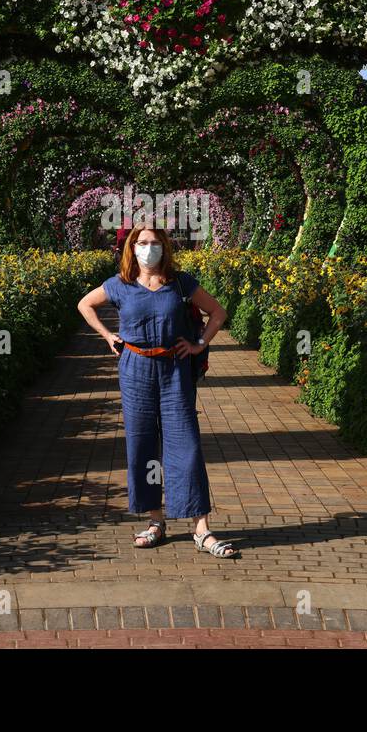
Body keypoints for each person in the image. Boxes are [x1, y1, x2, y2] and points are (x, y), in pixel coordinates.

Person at [76, 223, 239, 557]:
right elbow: (85, 305)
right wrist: (108, 336)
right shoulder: (120, 284)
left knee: (186, 444)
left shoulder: (180, 282)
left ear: (165, 247)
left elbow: (218, 312)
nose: (148, 248)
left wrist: (198, 344)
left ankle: (201, 529)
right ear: (132, 248)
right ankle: (155, 521)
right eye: (142, 242)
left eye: (154, 242)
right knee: (143, 444)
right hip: (135, 370)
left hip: (174, 369)